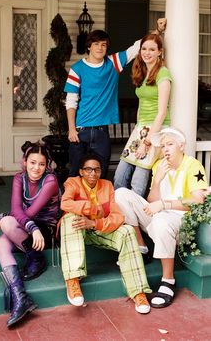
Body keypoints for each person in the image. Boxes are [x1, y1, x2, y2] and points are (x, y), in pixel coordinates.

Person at [115, 127, 208, 308]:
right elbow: (151, 201)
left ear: (181, 145)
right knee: (121, 194)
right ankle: (142, 247)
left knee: (161, 220)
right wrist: (157, 180)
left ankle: (168, 281)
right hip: (159, 216)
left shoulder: (192, 165)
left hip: (181, 221)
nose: (165, 149)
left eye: (170, 144)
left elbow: (198, 200)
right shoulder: (159, 165)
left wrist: (165, 205)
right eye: (163, 145)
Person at [64, 19, 167, 178]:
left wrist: (158, 31)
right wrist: (71, 128)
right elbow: (71, 101)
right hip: (80, 130)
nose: (100, 47)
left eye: (104, 44)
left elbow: (137, 47)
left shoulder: (113, 63)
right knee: (75, 173)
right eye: (96, 44)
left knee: (101, 172)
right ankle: (70, 203)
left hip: (102, 131)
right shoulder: (77, 69)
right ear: (89, 46)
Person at [59, 153, 152, 314]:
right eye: (88, 169)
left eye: (97, 170)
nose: (92, 173)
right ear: (81, 171)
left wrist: (95, 223)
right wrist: (92, 208)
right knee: (70, 218)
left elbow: (117, 216)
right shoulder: (72, 183)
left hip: (99, 229)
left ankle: (138, 291)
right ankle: (73, 279)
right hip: (78, 230)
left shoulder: (107, 185)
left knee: (128, 230)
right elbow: (65, 203)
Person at [0, 141, 61, 327]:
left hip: (46, 228)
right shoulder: (18, 178)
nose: (36, 168)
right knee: (1, 244)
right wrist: (28, 226)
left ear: (47, 165)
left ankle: (36, 259)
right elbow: (17, 209)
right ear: (25, 162)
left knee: (6, 222)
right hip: (29, 227)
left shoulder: (50, 181)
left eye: (41, 164)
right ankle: (21, 298)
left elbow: (28, 213)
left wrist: (6, 217)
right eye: (32, 162)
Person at [114, 33, 172, 197]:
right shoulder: (144, 72)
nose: (147, 52)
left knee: (138, 181)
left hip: (156, 130)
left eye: (152, 49)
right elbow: (142, 102)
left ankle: (135, 219)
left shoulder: (163, 74)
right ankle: (120, 215)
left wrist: (147, 142)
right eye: (144, 49)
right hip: (141, 129)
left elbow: (161, 113)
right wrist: (138, 130)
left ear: (159, 52)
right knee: (119, 176)